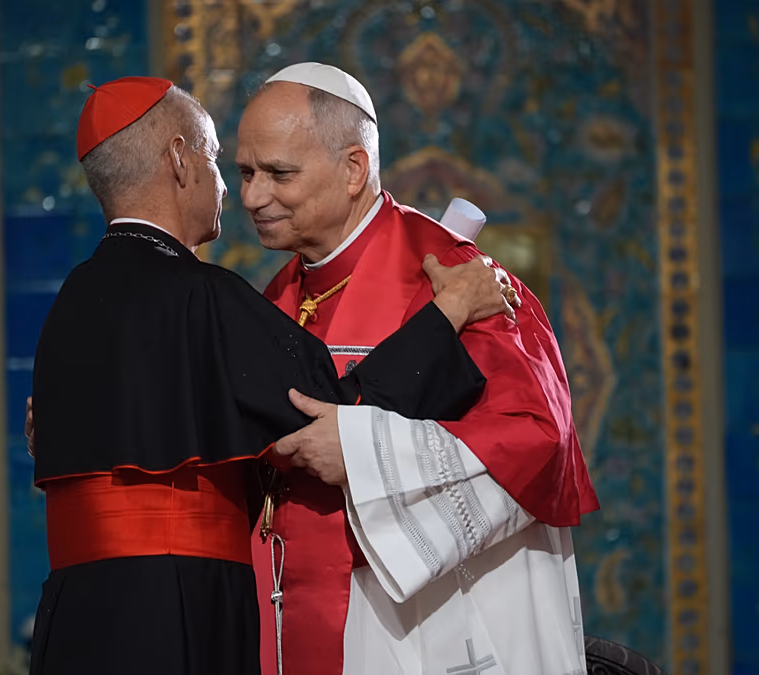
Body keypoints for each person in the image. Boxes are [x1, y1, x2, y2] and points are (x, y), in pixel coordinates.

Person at [25, 76, 519, 675]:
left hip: (73, 614)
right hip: (176, 605)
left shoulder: (69, 303)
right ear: (178, 160)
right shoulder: (202, 296)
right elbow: (340, 411)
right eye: (217, 161)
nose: (236, 193)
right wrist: (450, 312)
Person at [236, 63, 600, 675]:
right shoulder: (279, 295)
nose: (252, 197)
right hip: (292, 611)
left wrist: (363, 452)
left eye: (279, 173)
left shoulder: (460, 280)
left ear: (354, 168)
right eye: (246, 173)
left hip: (415, 627)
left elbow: (539, 441)